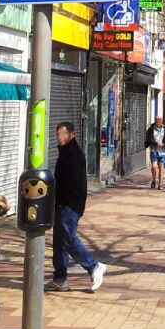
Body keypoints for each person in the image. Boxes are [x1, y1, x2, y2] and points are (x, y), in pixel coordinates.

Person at [52, 121, 106, 292]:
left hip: (70, 205)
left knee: (68, 239)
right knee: (59, 241)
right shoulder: (65, 152)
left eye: (62, 133)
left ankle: (94, 266)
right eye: (57, 133)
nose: (58, 137)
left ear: (71, 134)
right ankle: (60, 278)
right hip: (62, 204)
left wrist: (68, 202)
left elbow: (75, 184)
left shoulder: (73, 154)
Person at [144, 116, 165, 190]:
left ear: (162, 121)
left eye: (160, 120)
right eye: (157, 120)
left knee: (161, 167)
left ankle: (160, 184)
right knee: (154, 166)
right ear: (155, 121)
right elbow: (149, 138)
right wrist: (156, 144)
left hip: (163, 151)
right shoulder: (151, 129)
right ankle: (154, 180)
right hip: (154, 150)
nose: (158, 122)